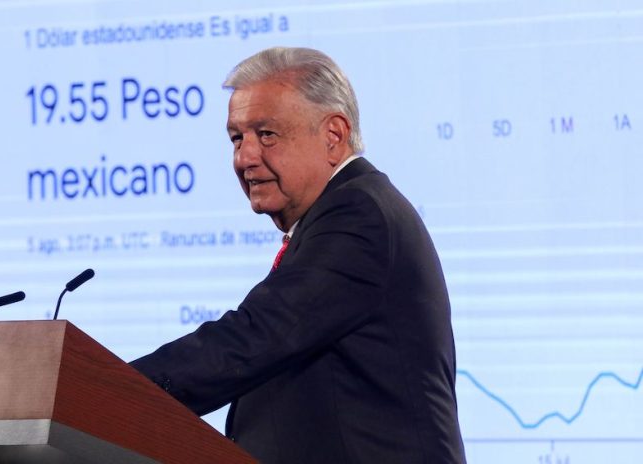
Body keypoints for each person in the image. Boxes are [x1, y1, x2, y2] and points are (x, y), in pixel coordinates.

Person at [131, 46, 466, 463]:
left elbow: (254, 337)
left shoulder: (360, 214)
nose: (244, 158)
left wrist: (108, 391)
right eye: (237, 138)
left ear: (334, 135)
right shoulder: (337, 215)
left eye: (266, 134)